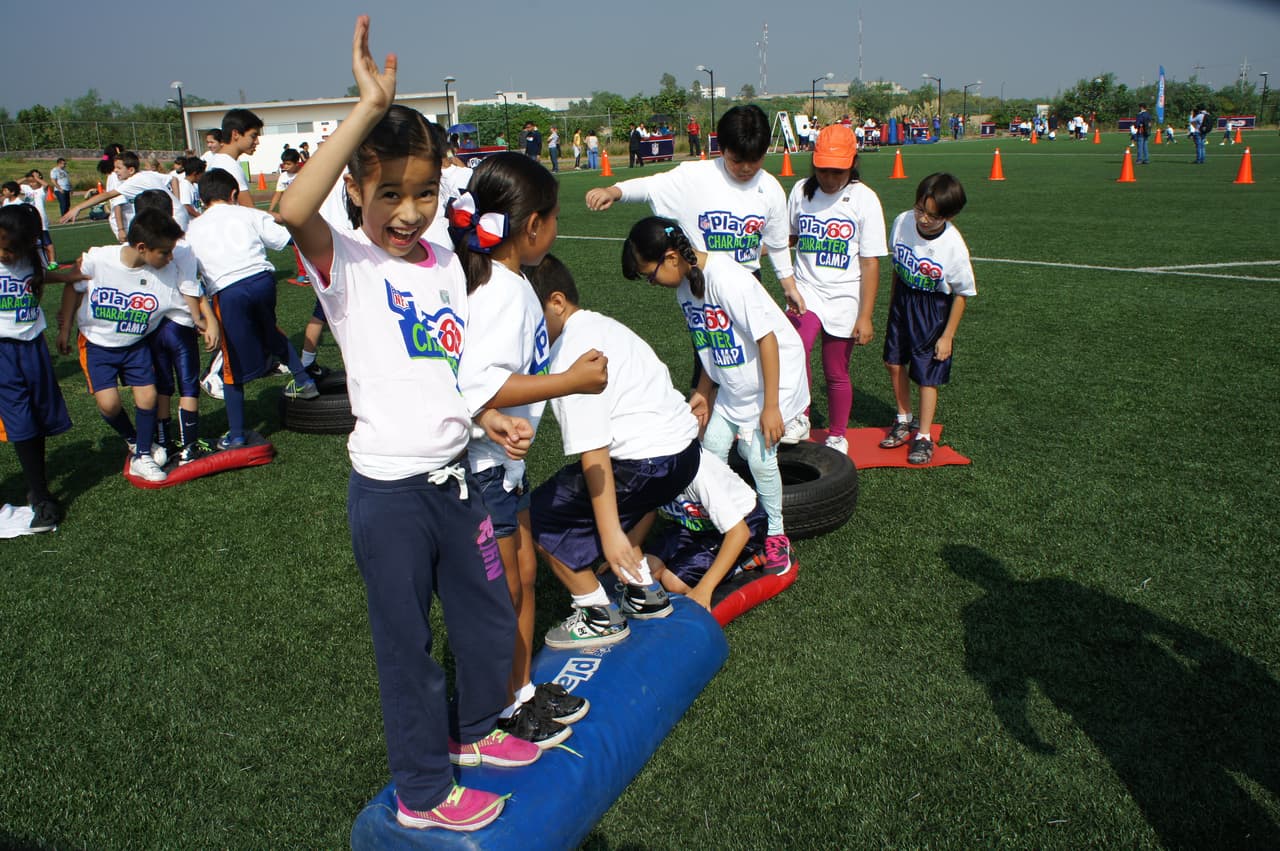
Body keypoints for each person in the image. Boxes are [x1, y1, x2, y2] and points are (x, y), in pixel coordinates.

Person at [278, 16, 541, 832]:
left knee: (490, 621)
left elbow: (445, 371)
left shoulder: (440, 268)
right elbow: (292, 207)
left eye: (424, 192)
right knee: (408, 652)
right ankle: (426, 792)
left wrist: (487, 414)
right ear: (356, 187)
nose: (408, 210)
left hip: (456, 478)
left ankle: (470, 735)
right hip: (389, 494)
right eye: (388, 192)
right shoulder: (345, 263)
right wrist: (367, 109)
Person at [452, 154, 607, 747]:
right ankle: (497, 703)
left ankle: (518, 692)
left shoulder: (508, 283)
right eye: (556, 217)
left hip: (505, 465)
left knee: (520, 581)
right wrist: (569, 381)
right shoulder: (502, 292)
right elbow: (482, 384)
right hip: (482, 468)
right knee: (503, 589)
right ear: (533, 224)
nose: (558, 228)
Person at [586, 104, 801, 431]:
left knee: (750, 361)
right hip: (700, 284)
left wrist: (789, 287)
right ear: (722, 149)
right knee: (712, 359)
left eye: (754, 160)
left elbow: (775, 242)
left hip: (745, 283)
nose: (745, 168)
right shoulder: (696, 177)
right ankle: (710, 430)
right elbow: (651, 185)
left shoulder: (769, 188)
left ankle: (766, 419)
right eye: (736, 159)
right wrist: (614, 191)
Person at [527, 253, 701, 648]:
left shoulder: (573, 354)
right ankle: (644, 592)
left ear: (556, 303)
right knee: (611, 501)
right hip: (685, 455)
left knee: (535, 515)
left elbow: (594, 450)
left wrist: (609, 534)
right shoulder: (602, 324)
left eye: (526, 315)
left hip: (647, 460)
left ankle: (597, 613)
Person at [622, 216, 807, 574]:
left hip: (775, 378)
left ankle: (776, 534)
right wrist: (704, 392)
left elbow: (767, 339)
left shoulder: (727, 279)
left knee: (758, 456)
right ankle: (723, 520)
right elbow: (707, 343)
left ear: (673, 258)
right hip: (737, 381)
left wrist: (771, 407)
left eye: (650, 274)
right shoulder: (684, 290)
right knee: (712, 448)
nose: (652, 282)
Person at [55, 210, 194, 482]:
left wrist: (204, 320)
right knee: (108, 405)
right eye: (164, 252)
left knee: (148, 397)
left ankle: (143, 454)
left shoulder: (164, 274)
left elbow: (185, 302)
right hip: (97, 345)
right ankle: (132, 438)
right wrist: (65, 327)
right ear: (142, 247)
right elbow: (73, 286)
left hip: (135, 346)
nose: (169, 258)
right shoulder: (98, 259)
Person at [185, 168, 317, 449]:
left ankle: (236, 434)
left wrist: (199, 315)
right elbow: (285, 241)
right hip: (262, 281)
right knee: (270, 331)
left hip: (228, 290)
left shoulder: (193, 228)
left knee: (231, 361)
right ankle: (305, 381)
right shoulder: (247, 213)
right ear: (233, 194)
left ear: (202, 199)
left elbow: (188, 274)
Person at [786, 124, 887, 455]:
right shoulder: (801, 192)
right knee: (795, 349)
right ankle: (798, 417)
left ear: (853, 163)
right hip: (806, 290)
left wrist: (866, 316)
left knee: (836, 370)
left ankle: (837, 433)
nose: (829, 177)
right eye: (823, 168)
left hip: (845, 297)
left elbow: (870, 263)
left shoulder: (864, 200)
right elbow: (788, 238)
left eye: (838, 170)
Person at [878, 173, 976, 466]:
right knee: (893, 361)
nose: (923, 219)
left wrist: (947, 336)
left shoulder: (953, 247)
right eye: (921, 209)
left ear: (950, 215)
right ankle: (904, 418)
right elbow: (897, 265)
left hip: (932, 309)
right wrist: (893, 302)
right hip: (904, 299)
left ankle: (923, 436)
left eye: (932, 216)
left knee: (925, 374)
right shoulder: (902, 221)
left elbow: (962, 293)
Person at [0, 204, 79, 532]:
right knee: (20, 419)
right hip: (2, 351)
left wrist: (70, 276)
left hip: (32, 346)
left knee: (38, 417)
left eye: (10, 248)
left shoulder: (31, 259)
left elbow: (39, 276)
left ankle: (37, 488)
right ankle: (42, 496)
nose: (4, 253)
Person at [129, 190, 220, 465]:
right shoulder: (180, 248)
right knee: (188, 386)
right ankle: (189, 445)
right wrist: (201, 320)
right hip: (178, 324)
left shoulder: (136, 248)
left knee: (162, 387)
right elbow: (190, 287)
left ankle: (165, 443)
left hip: (150, 326)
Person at [643, 448, 768, 611]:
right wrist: (625, 549)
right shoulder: (646, 468)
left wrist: (704, 589)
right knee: (647, 568)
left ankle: (745, 561)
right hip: (696, 523)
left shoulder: (698, 474)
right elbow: (647, 509)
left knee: (673, 582)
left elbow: (739, 532)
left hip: (744, 525)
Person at [61, 151, 186, 231]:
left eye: (119, 168)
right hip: (175, 214)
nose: (115, 171)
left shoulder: (134, 181)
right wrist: (177, 202)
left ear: (131, 170)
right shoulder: (146, 173)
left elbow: (107, 195)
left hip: (173, 218)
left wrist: (78, 207)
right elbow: (173, 179)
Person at [205, 108, 265, 207]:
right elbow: (250, 211)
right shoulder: (229, 166)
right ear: (235, 134)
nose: (257, 142)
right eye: (253, 136)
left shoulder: (219, 161)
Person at [268, 148, 303, 214]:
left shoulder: (304, 174)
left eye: (288, 164)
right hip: (290, 208)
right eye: (284, 164)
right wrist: (270, 210)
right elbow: (278, 193)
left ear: (297, 163)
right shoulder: (283, 176)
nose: (285, 166)